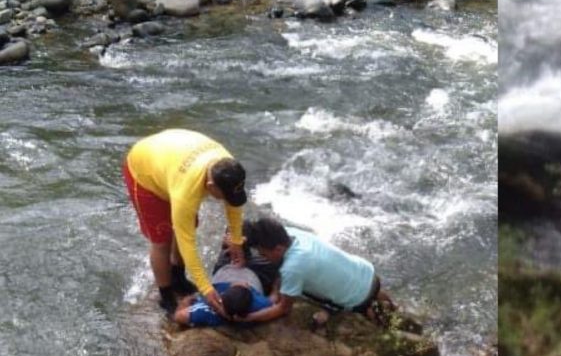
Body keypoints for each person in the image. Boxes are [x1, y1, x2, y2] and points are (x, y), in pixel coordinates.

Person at [123, 129, 248, 314]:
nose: (227, 200)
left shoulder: (228, 167)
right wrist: (206, 288)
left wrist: (236, 241)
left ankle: (178, 276)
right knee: (162, 239)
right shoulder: (186, 193)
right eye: (224, 195)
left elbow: (234, 206)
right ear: (210, 186)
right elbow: (186, 240)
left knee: (189, 224)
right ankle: (165, 296)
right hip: (144, 171)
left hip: (171, 158)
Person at [237, 217, 398, 326]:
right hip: (368, 274)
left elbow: (283, 308)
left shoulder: (292, 269)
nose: (262, 257)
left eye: (264, 253)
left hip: (357, 300)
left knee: (300, 291)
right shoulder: (292, 233)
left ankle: (375, 318)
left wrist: (250, 318)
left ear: (278, 249)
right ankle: (392, 307)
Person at [173, 281, 272, 327]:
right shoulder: (259, 305)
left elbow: (178, 316)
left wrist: (186, 301)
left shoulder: (206, 311)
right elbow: (273, 303)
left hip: (219, 284)